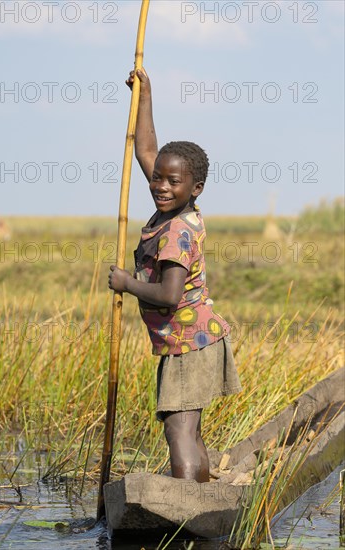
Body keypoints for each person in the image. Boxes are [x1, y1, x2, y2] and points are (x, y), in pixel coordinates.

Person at [108, 68, 242, 483]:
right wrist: (145, 95)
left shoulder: (177, 232)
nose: (160, 186)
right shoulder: (173, 210)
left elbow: (168, 295)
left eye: (173, 181)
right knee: (190, 429)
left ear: (195, 187)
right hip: (187, 342)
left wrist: (127, 284)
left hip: (189, 343)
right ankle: (200, 499)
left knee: (178, 429)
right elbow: (146, 147)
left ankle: (184, 508)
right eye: (157, 178)